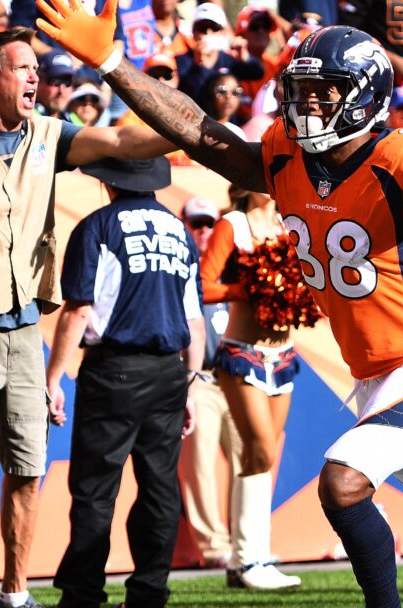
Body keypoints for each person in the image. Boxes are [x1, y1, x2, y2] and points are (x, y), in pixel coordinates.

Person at [37, 0, 403, 607]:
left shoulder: (400, 157)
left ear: (363, 98)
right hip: (375, 371)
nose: (306, 103)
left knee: (342, 484)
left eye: (323, 91)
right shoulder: (286, 157)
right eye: (301, 90)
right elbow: (202, 134)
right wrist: (113, 62)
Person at [0, 27, 172, 608]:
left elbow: (126, 140)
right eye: (22, 68)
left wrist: (189, 129)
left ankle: (16, 596)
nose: (35, 78)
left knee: (26, 467)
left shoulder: (51, 134)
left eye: (36, 68)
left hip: (23, 331)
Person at [45, 156, 205, 608]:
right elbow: (194, 321)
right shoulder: (179, 232)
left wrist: (53, 377)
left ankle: (82, 595)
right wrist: (190, 383)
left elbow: (78, 310)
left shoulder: (97, 227)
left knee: (95, 490)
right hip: (168, 373)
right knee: (159, 488)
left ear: (109, 182)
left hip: (113, 371)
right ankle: (150, 592)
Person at [197, 183, 309, 590]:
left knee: (265, 456)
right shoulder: (233, 225)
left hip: (284, 355)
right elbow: (204, 284)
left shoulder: (291, 224)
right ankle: (248, 560)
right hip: (242, 352)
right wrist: (245, 289)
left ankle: (252, 557)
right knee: (258, 448)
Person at [177, 196, 242, 570]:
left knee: (248, 460)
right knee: (199, 465)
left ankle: (246, 544)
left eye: (209, 225)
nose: (203, 232)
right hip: (197, 377)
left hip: (235, 375)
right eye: (196, 224)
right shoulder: (177, 265)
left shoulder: (236, 267)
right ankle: (216, 548)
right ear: (184, 225)